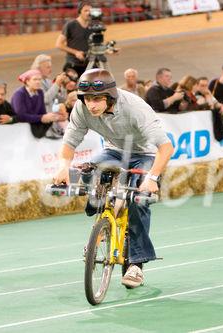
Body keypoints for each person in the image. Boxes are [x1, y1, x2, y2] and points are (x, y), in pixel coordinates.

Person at [53, 69, 174, 288]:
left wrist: (152, 178)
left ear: (110, 97)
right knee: (88, 171)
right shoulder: (82, 109)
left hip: (144, 154)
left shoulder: (134, 108)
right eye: (87, 99)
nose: (92, 105)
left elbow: (166, 147)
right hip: (114, 151)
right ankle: (100, 220)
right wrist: (63, 167)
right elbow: (70, 141)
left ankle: (136, 264)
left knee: (139, 200)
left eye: (97, 98)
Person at [55, 1, 93, 77]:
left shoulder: (93, 26)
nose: (88, 13)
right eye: (85, 10)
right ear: (79, 11)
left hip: (89, 63)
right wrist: (76, 52)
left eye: (90, 11)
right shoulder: (70, 25)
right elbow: (58, 44)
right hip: (73, 64)